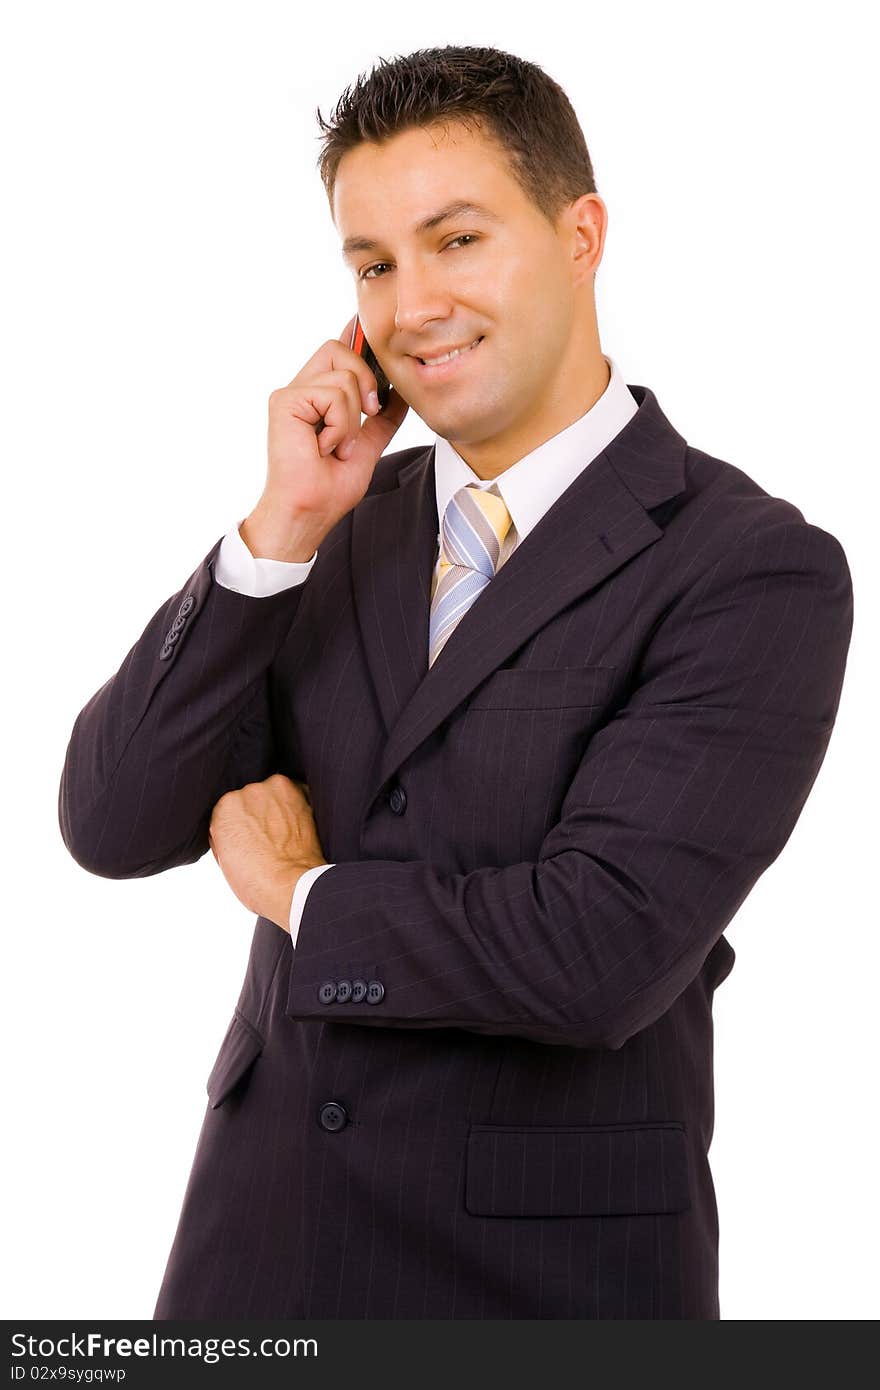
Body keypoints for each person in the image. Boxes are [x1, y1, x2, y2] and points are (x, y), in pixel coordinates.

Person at [58, 44, 854, 1320]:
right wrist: (275, 533)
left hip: (537, 1286)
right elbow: (111, 823)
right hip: (253, 1262)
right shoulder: (331, 531)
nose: (409, 303)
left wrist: (299, 894)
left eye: (457, 240)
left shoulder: (751, 569)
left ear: (580, 232)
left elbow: (594, 952)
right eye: (371, 264)